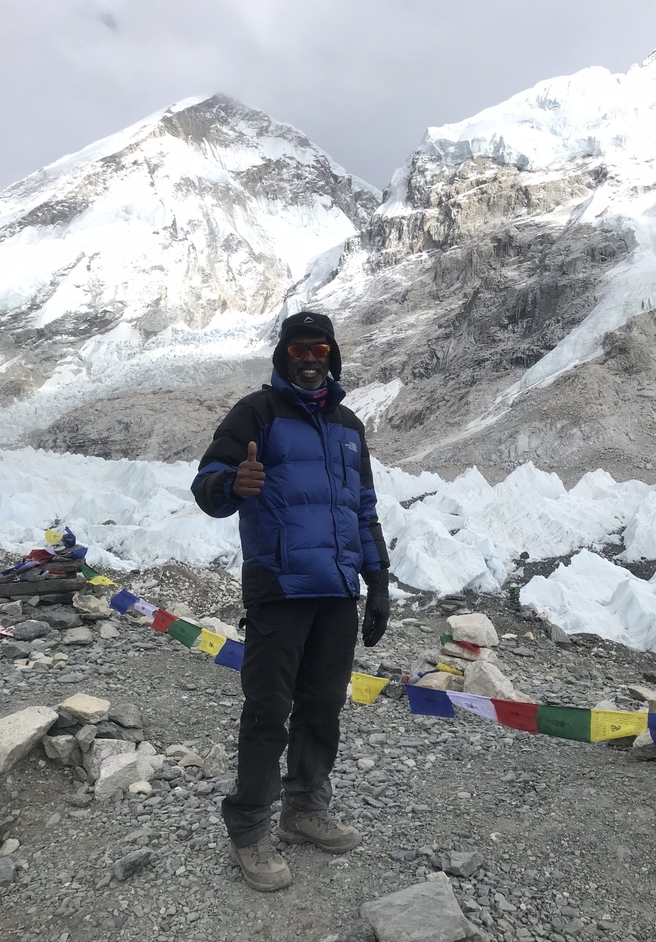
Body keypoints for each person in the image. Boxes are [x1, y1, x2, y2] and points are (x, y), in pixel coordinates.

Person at [191, 310, 390, 892]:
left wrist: (377, 582)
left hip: (336, 591)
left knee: (323, 707)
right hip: (278, 587)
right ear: (283, 355)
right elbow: (208, 481)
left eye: (319, 349)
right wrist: (231, 486)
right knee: (267, 712)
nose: (309, 358)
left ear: (332, 355)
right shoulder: (256, 414)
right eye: (299, 349)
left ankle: (304, 811)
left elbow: (364, 510)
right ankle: (249, 832)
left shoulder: (350, 426)